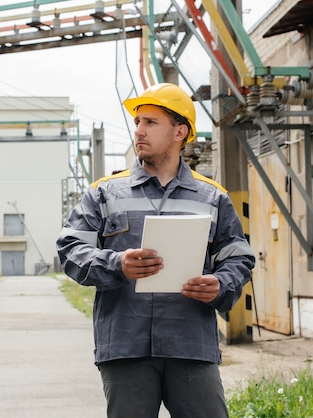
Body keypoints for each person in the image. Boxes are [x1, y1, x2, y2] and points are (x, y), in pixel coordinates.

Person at [56, 82, 255, 418]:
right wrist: (116, 263)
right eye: (137, 122)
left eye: (150, 122)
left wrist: (220, 284)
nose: (139, 131)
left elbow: (238, 257)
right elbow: (71, 248)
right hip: (125, 345)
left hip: (190, 343)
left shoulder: (212, 198)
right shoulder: (104, 193)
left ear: (180, 132)